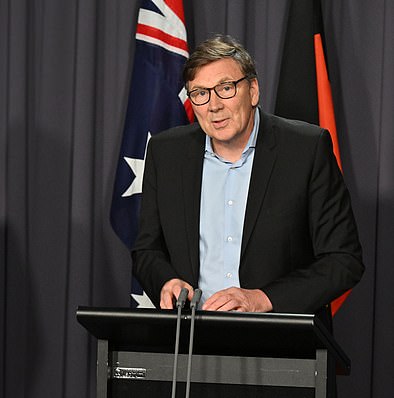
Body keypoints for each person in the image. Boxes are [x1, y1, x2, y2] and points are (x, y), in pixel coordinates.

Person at [132, 35, 363, 321]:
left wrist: (262, 299)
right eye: (200, 93)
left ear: (252, 91)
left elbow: (343, 260)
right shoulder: (166, 153)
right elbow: (147, 250)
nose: (213, 105)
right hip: (190, 340)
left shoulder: (306, 150)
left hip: (281, 340)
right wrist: (167, 282)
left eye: (225, 88)